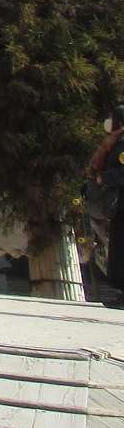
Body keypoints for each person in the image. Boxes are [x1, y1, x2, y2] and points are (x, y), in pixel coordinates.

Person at [87, 108, 124, 309]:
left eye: (113, 118)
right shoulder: (115, 142)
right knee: (118, 249)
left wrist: (105, 178)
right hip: (118, 207)